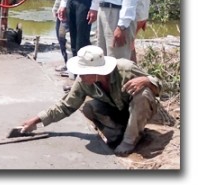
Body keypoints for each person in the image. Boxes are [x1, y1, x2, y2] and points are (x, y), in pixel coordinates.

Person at [20, 45, 160, 157]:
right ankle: (119, 134)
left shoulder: (126, 68)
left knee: (143, 93)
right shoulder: (83, 81)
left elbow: (160, 86)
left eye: (84, 71)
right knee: (89, 107)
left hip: (141, 110)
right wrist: (36, 120)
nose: (80, 75)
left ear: (98, 70)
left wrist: (147, 80)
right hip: (119, 112)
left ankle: (130, 141)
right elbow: (66, 106)